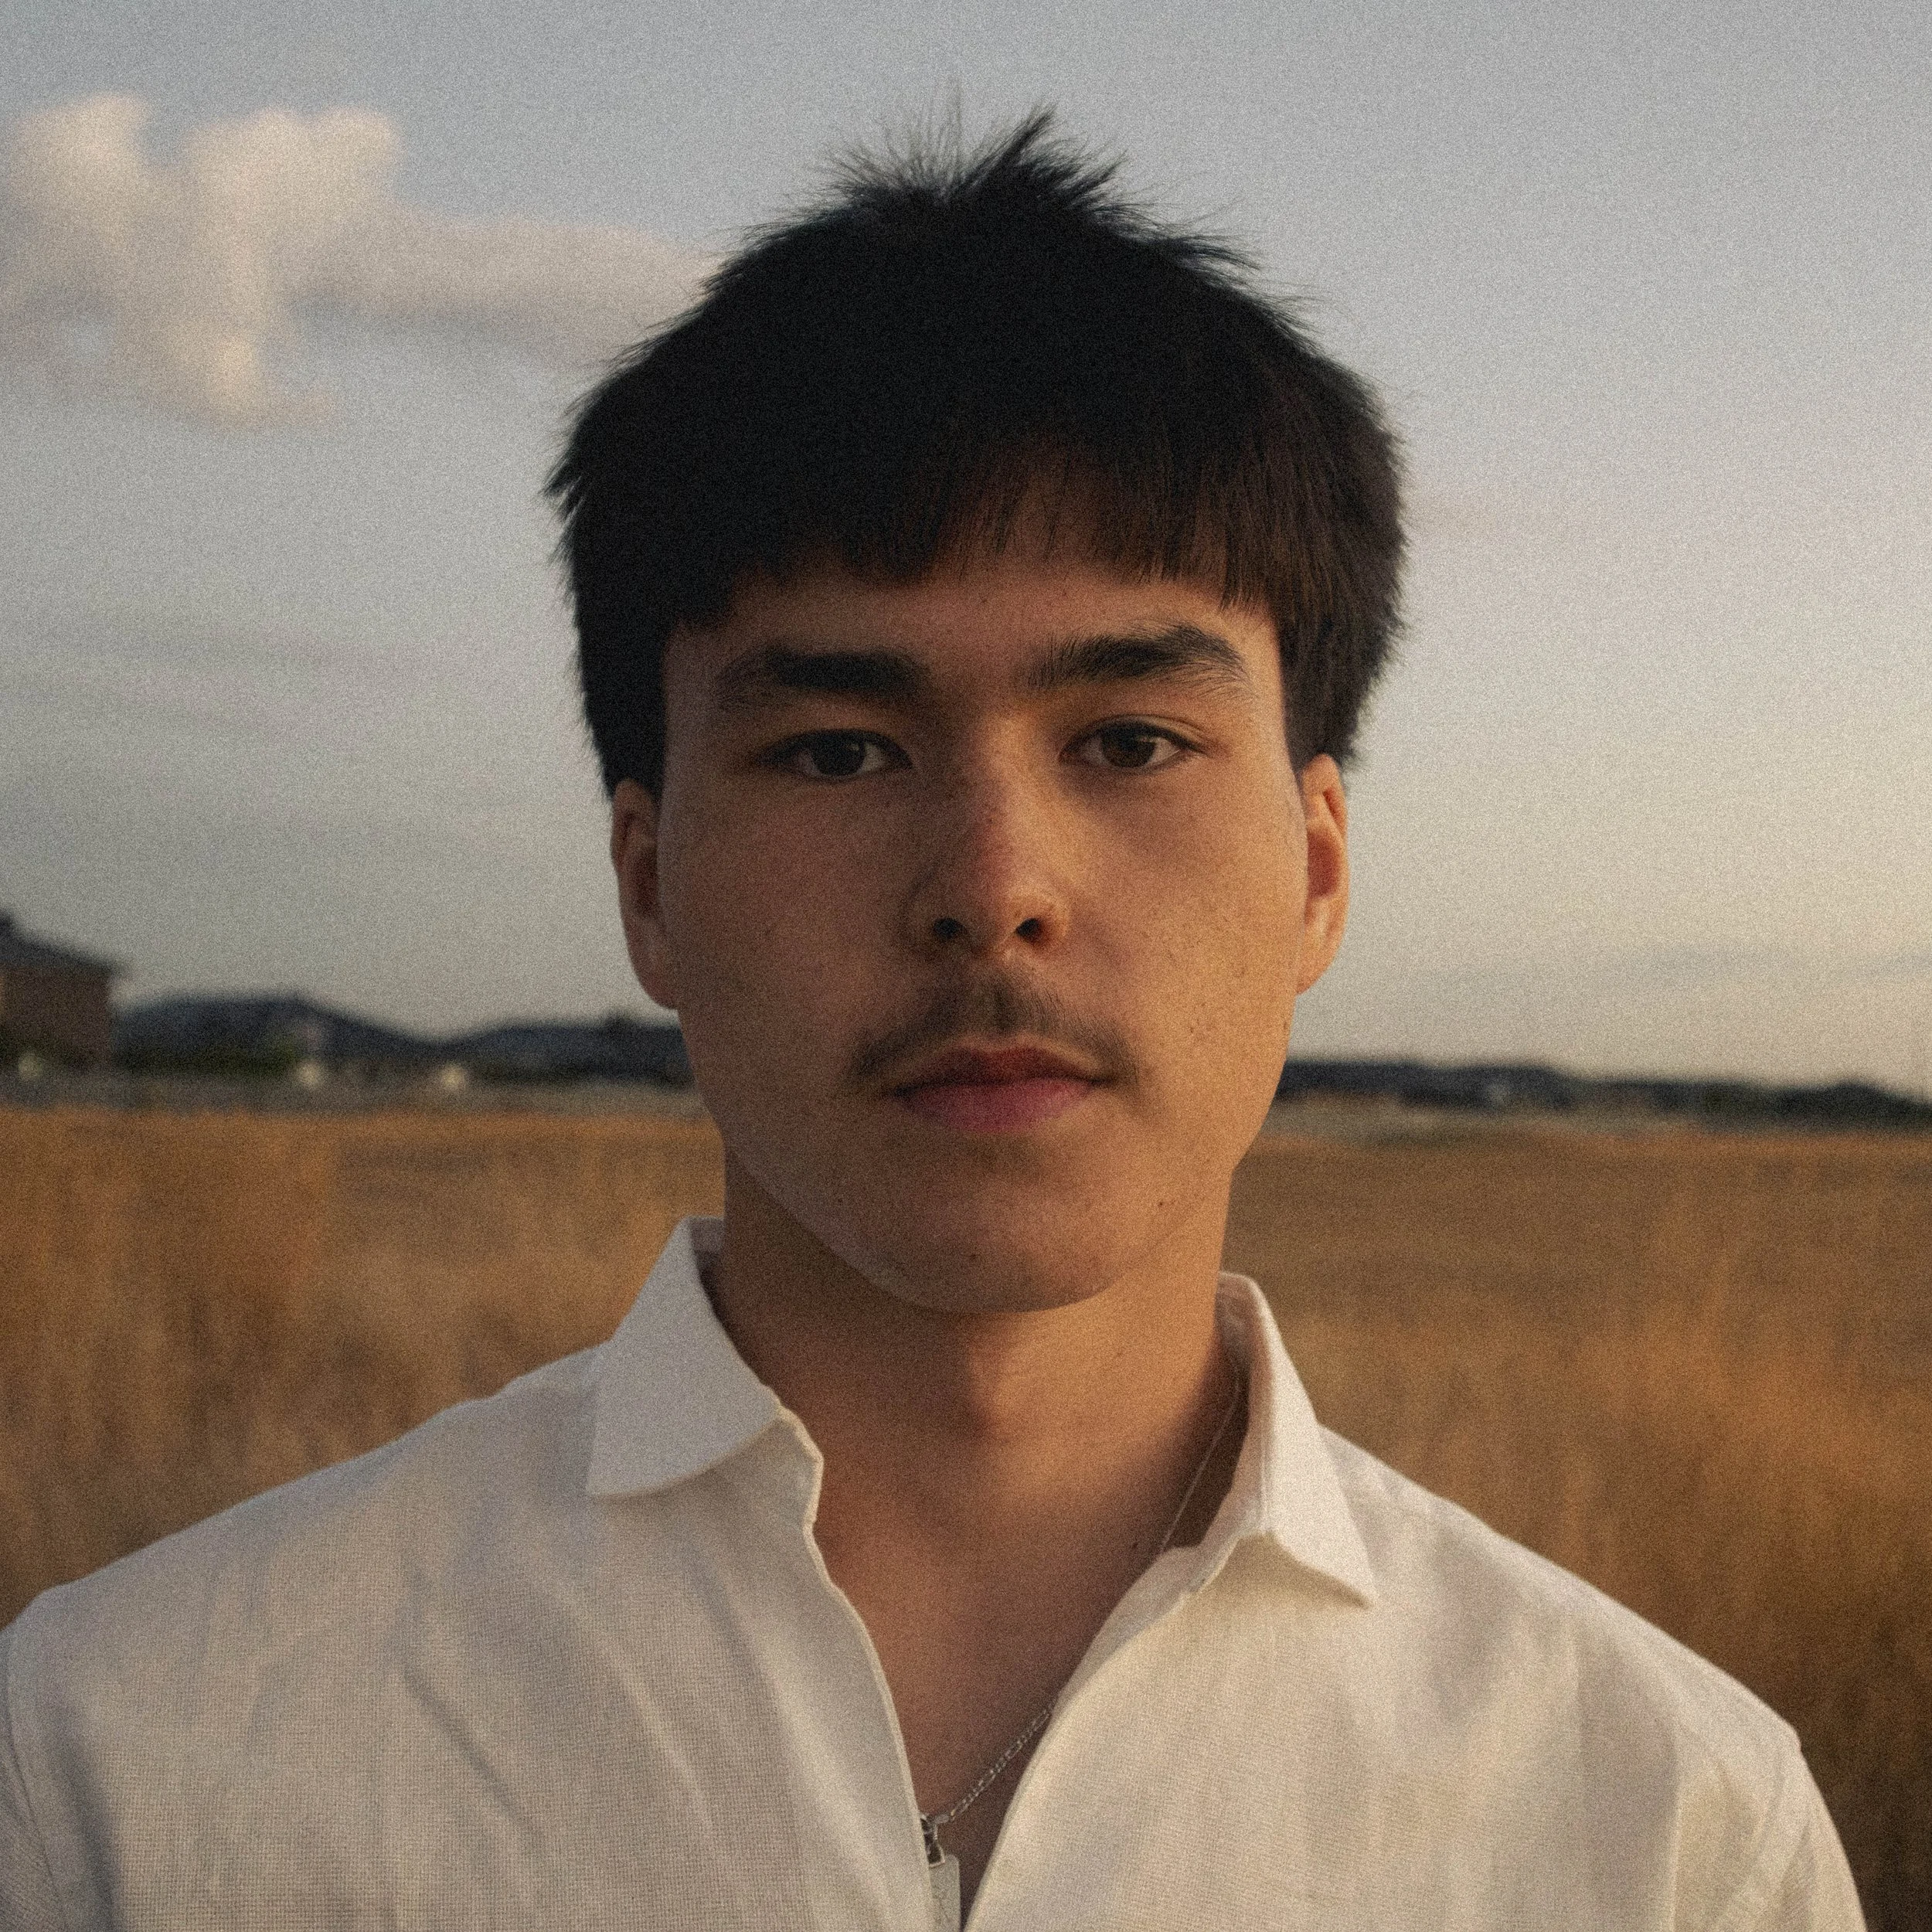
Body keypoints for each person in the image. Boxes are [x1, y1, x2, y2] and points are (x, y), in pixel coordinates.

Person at [0, 116, 1862, 1932]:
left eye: (1128, 739)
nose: (993, 881)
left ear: (1311, 871)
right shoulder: (125, 1772)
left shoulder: (1664, 1826)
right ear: (648, 883)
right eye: (837, 746)